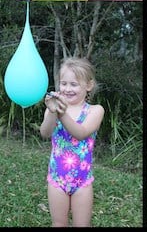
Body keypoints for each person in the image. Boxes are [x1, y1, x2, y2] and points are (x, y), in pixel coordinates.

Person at [40, 57, 105, 227]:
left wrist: (62, 113)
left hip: (82, 183)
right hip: (57, 179)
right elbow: (45, 133)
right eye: (64, 83)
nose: (67, 89)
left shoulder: (95, 110)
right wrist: (53, 112)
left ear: (88, 85)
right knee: (58, 223)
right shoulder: (54, 109)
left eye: (74, 84)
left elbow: (81, 133)